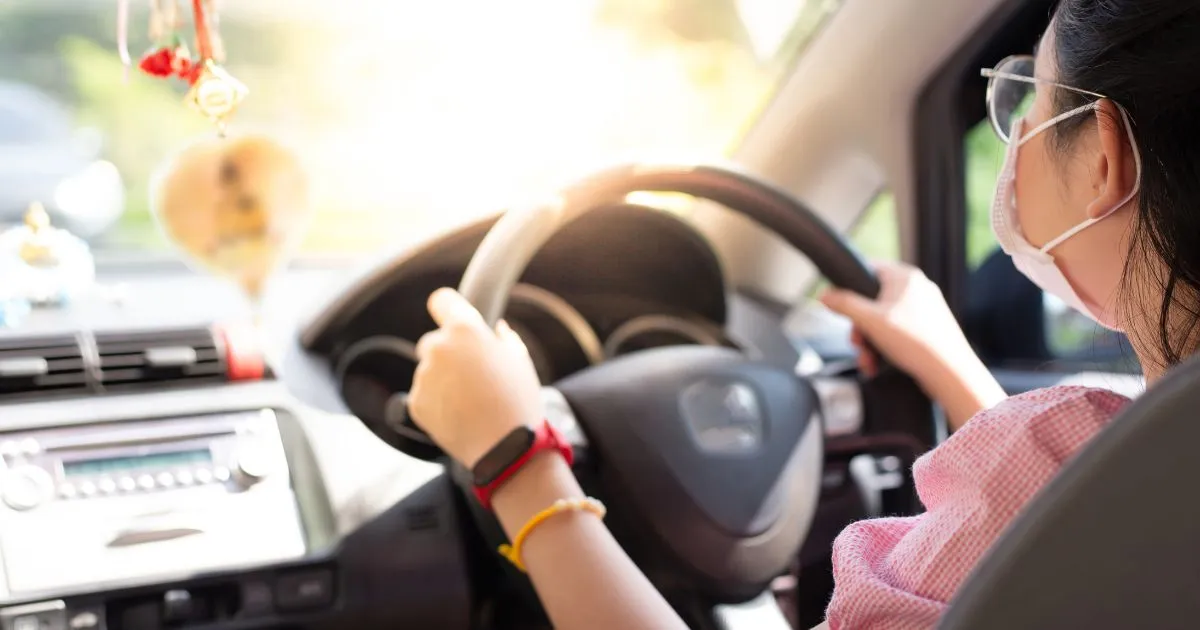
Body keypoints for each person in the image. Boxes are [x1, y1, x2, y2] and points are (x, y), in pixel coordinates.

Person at [407, 1, 1200, 627]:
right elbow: (1075, 520)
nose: (1021, 130)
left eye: (1036, 98)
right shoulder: (1131, 473)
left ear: (1101, 158)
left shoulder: (1077, 458)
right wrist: (956, 371)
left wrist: (515, 458)